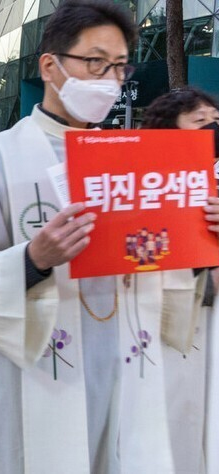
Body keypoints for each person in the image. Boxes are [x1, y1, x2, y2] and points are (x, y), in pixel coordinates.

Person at [0, 2, 217, 471]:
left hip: (127, 365)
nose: (110, 78)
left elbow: (162, 269)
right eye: (95, 62)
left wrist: (201, 244)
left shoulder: (134, 159)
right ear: (50, 65)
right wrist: (33, 258)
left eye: (120, 66)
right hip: (39, 373)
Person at [141, 87, 219, 473]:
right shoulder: (146, 185)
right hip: (161, 329)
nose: (213, 127)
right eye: (200, 121)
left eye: (215, 119)